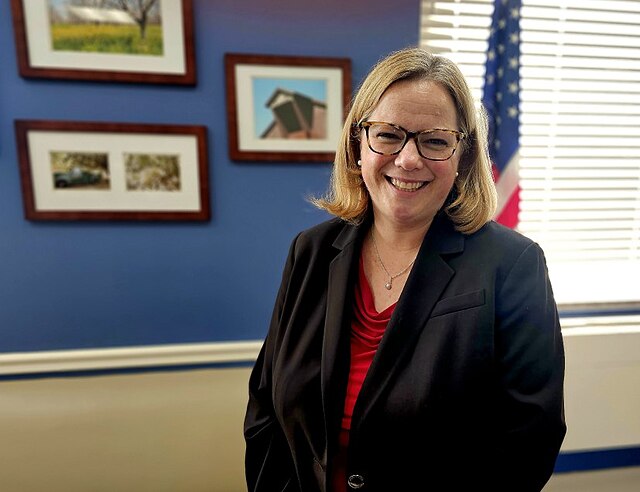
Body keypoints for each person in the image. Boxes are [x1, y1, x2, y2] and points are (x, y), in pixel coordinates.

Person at [244, 47, 566, 492]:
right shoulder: (310, 252)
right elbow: (265, 409)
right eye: (388, 135)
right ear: (358, 145)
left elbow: (529, 443)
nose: (409, 159)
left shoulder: (512, 266)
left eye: (434, 140)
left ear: (462, 156)